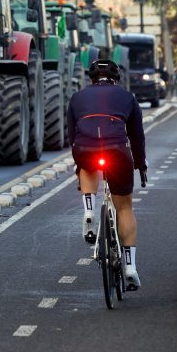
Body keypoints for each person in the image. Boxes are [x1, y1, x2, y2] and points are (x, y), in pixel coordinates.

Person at [67, 58, 146, 289]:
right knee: (124, 207)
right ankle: (130, 267)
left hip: (85, 149)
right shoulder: (128, 97)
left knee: (86, 164)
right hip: (117, 151)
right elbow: (137, 136)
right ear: (116, 78)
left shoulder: (77, 97)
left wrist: (78, 162)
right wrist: (140, 164)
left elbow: (72, 137)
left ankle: (89, 212)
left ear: (91, 78)